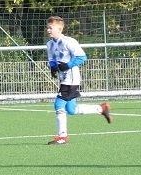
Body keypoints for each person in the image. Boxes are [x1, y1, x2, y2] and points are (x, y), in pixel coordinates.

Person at [45, 16, 112, 145]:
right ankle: (101, 108)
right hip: (63, 79)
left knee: (58, 104)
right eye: (47, 27)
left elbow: (82, 57)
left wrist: (68, 65)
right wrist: (53, 67)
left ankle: (62, 137)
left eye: (50, 28)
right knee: (71, 109)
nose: (48, 30)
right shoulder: (50, 44)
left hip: (71, 79)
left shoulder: (68, 42)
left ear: (60, 29)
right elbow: (52, 58)